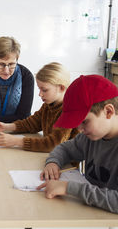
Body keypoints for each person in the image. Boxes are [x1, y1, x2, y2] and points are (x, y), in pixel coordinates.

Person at [37, 75, 118, 215]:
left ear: (108, 111)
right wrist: (53, 163)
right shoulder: (91, 136)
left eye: (84, 122)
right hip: (89, 214)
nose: (79, 129)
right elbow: (64, 148)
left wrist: (69, 188)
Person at [0, 62, 78, 152]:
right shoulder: (48, 105)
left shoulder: (71, 110)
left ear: (61, 88)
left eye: (44, 90)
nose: (40, 94)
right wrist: (8, 127)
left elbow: (54, 144)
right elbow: (32, 123)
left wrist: (17, 141)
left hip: (69, 164)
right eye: (39, 89)